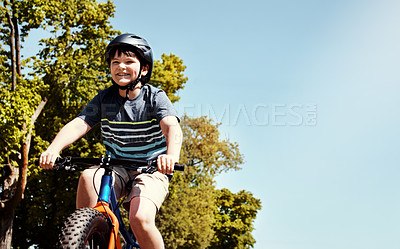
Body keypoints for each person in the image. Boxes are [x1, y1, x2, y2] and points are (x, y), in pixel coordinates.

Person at [39, 33, 182, 249]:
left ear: (144, 69)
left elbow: (172, 127)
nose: (120, 67)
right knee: (88, 176)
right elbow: (79, 124)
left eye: (128, 61)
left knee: (140, 219)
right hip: (115, 166)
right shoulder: (104, 99)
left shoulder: (155, 97)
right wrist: (53, 148)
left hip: (151, 169)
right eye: (115, 62)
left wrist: (170, 156)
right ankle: (84, 237)